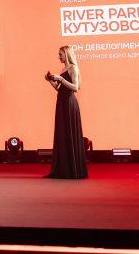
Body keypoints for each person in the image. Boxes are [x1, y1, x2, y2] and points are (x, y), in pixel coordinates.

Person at [44, 45, 88, 179]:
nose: (59, 57)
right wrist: (50, 81)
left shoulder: (73, 68)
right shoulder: (63, 69)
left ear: (67, 54)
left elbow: (75, 87)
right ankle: (64, 168)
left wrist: (61, 79)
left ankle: (72, 170)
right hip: (62, 103)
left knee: (69, 132)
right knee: (63, 133)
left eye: (60, 54)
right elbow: (59, 88)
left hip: (69, 103)